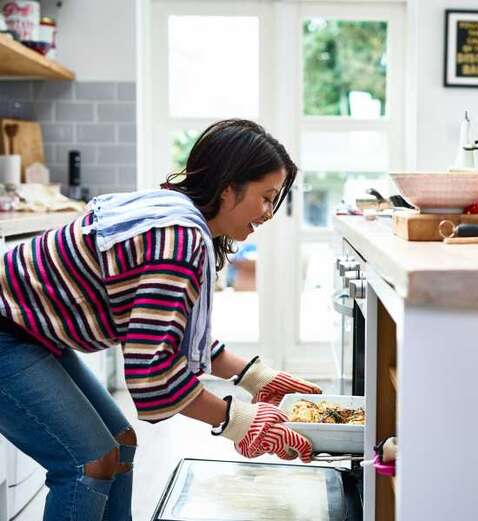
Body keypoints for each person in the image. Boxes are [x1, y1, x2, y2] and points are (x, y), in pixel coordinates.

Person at [0, 119, 323, 521]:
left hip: (28, 333)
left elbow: (167, 330)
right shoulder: (178, 239)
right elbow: (153, 382)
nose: (270, 212)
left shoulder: (177, 217)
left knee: (120, 444)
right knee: (89, 463)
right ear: (228, 187)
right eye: (266, 197)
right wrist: (240, 420)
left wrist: (256, 378)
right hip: (7, 333)